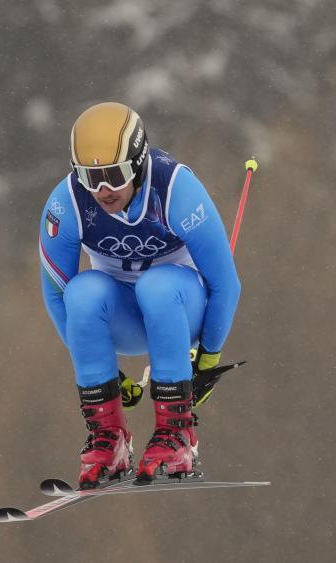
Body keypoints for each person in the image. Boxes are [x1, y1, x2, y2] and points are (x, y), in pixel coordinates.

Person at [38, 101, 241, 488]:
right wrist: (109, 373)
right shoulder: (66, 204)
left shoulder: (176, 188)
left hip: (183, 309)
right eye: (89, 176)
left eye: (113, 175)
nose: (102, 190)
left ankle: (177, 434)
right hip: (126, 320)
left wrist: (208, 357)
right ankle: (109, 439)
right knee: (81, 293)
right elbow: (55, 296)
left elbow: (226, 284)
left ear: (137, 162)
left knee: (158, 286)